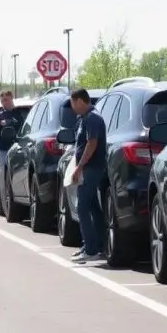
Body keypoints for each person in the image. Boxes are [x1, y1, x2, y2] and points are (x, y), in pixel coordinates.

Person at [68, 88, 108, 264]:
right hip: (88, 168)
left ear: (79, 101)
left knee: (82, 206)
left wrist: (80, 167)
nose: (72, 107)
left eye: (72, 102)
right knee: (92, 207)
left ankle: (91, 250)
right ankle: (95, 245)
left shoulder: (93, 118)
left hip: (91, 168)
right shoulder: (84, 119)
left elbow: (91, 144)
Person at [0, 89, 24, 186]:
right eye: (2, 101)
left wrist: (10, 123)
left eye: (6, 100)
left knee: (18, 177)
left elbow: (24, 128)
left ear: (12, 98)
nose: (4, 103)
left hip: (18, 150)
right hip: (3, 150)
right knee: (3, 177)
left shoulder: (20, 113)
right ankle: (4, 200)